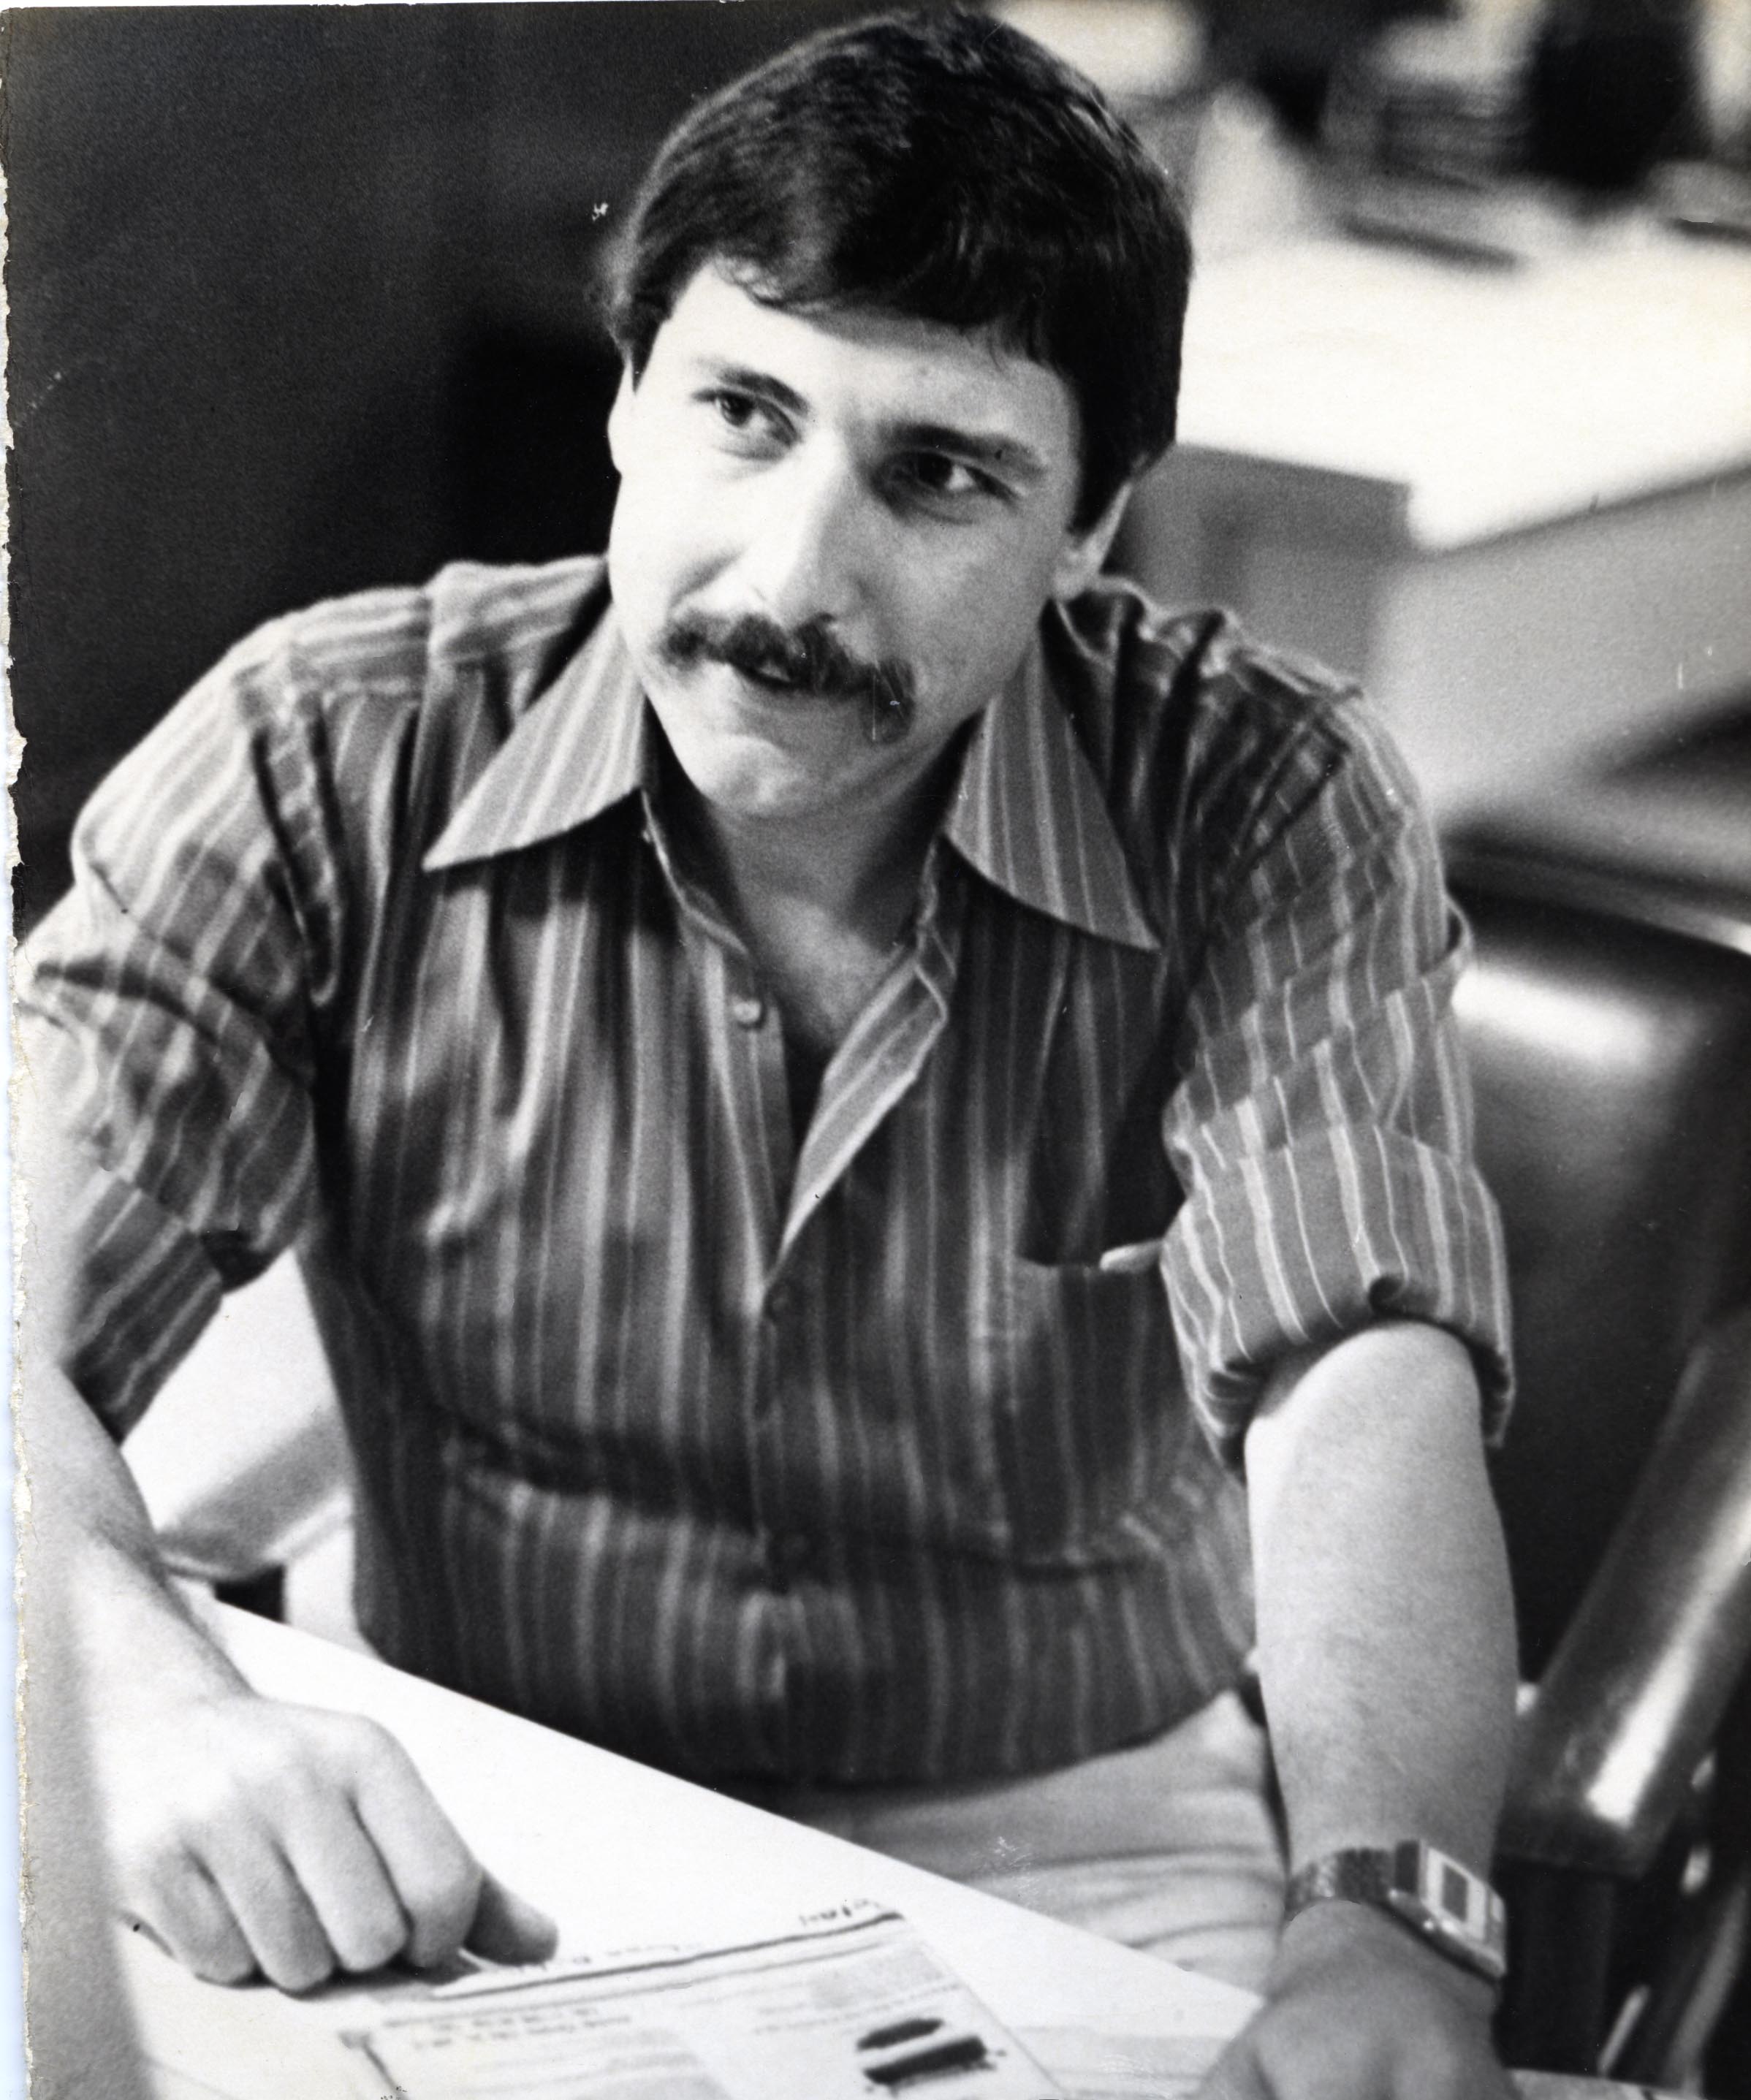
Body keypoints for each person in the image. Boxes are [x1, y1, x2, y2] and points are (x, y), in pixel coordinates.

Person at [18, 11, 1521, 2096]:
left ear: (1093, 520)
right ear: (628, 396)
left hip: (1080, 1837)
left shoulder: (1258, 793)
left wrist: (1387, 1921)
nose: (793, 579)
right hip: (494, 1814)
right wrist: (145, 1692)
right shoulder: (319, 750)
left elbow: (1352, 1374)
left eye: (940, 474)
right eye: (743, 412)